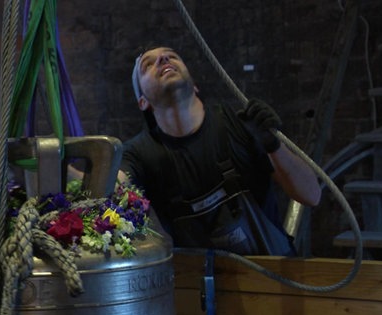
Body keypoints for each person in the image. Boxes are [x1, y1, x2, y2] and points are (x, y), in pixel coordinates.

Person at [117, 46, 321, 256]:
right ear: (143, 103)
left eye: (172, 55)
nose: (162, 58)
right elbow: (108, 185)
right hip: (200, 286)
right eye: (148, 64)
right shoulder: (138, 155)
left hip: (273, 281)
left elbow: (312, 196)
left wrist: (275, 147)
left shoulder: (240, 124)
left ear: (195, 87)